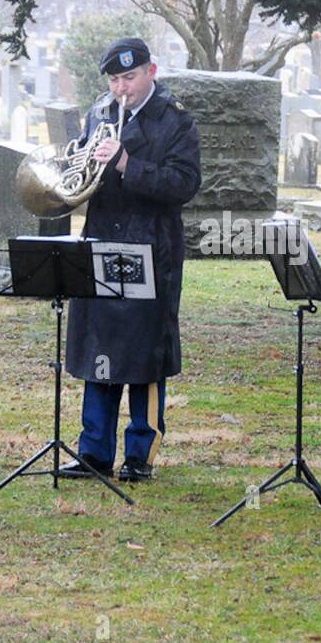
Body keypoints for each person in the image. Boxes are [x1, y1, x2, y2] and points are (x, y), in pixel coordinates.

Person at [58, 38, 202, 483]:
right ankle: (93, 451)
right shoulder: (99, 112)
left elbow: (184, 184)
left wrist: (125, 162)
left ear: (151, 71)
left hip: (151, 246)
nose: (122, 88)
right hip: (102, 239)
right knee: (98, 347)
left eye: (130, 77)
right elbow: (82, 174)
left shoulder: (176, 120)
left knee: (146, 355)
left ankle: (140, 452)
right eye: (115, 79)